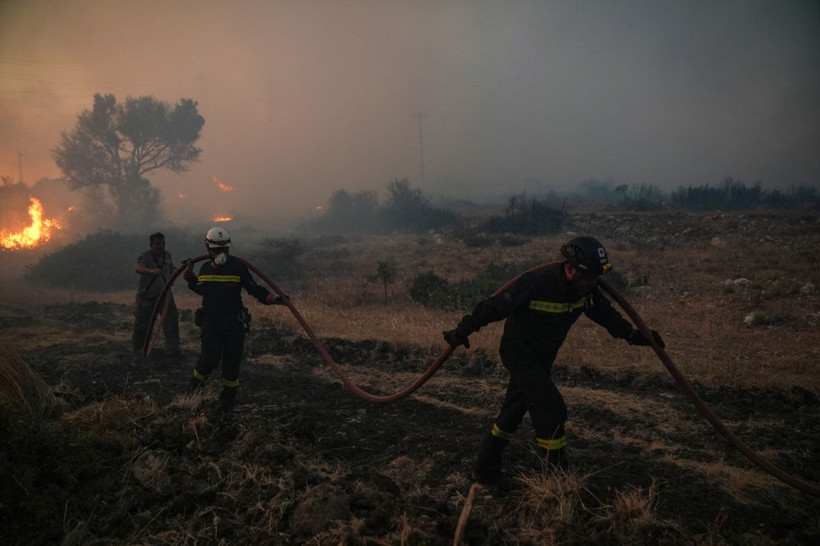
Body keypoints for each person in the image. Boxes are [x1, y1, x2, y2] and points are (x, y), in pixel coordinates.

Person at [443, 235, 664, 488]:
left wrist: (634, 335)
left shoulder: (586, 291)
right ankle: (556, 479)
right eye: (591, 276)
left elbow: (607, 315)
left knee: (513, 411)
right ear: (570, 270)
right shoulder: (537, 283)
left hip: (543, 358)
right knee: (552, 409)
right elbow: (495, 306)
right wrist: (463, 329)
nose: (595, 283)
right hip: (519, 354)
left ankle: (484, 469)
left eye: (597, 277)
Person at [184, 227, 287, 412]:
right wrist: (190, 277)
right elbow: (202, 289)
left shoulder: (238, 267)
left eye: (225, 250)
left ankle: (228, 400)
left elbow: (253, 289)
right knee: (209, 360)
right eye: (217, 250)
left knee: (231, 364)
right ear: (209, 249)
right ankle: (193, 390)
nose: (222, 254)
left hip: (233, 323)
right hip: (211, 323)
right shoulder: (204, 267)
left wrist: (273, 298)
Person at [133, 232, 180, 359]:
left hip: (165, 295)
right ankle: (139, 350)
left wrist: (172, 278)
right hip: (147, 296)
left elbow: (171, 268)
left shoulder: (167, 255)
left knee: (171, 320)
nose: (161, 246)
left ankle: (173, 350)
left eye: (163, 243)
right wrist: (151, 271)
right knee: (143, 324)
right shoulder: (145, 256)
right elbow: (138, 268)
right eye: (158, 243)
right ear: (151, 244)